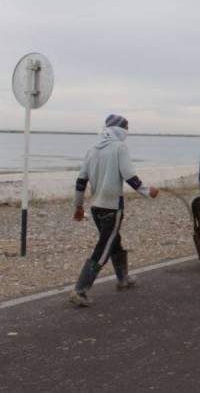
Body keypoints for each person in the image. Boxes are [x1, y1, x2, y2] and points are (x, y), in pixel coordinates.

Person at [70, 114, 159, 307]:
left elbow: (80, 180)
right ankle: (79, 290)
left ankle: (123, 279)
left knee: (113, 241)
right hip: (112, 207)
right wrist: (147, 191)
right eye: (126, 130)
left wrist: (78, 205)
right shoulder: (120, 148)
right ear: (121, 131)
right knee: (103, 248)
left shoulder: (92, 149)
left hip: (95, 207)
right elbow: (129, 175)